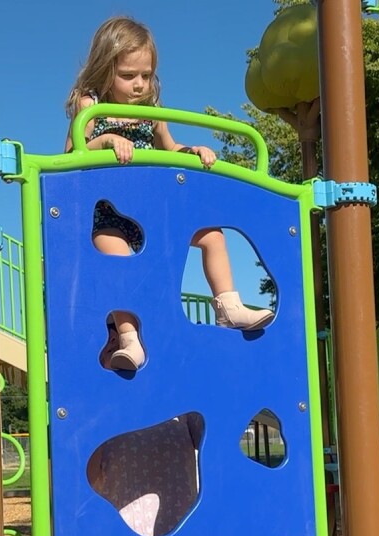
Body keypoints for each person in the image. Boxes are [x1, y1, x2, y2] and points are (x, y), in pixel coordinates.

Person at [64, 16, 274, 371]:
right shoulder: (91, 106)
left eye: (146, 75)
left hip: (152, 212)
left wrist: (192, 151)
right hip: (110, 214)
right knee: (116, 255)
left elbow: (170, 147)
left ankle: (228, 306)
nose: (139, 84)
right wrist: (104, 140)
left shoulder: (152, 111)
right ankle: (128, 338)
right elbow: (71, 153)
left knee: (212, 236)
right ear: (106, 69)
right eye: (128, 75)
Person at [88, 320, 225, 536]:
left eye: (120, 339)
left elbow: (211, 433)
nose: (115, 349)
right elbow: (88, 476)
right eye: (108, 342)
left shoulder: (179, 412)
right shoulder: (103, 417)